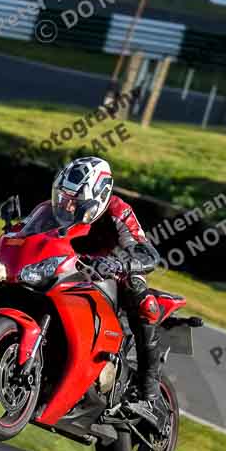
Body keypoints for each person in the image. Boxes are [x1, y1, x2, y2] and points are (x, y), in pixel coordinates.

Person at [50, 156, 163, 407]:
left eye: (74, 202)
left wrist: (118, 264)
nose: (67, 207)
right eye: (64, 199)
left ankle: (149, 394)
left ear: (98, 196)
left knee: (144, 300)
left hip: (115, 273)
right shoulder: (54, 210)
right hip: (74, 268)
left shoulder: (118, 211)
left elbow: (149, 254)